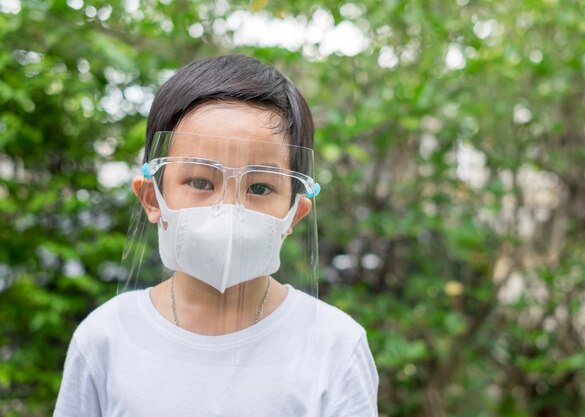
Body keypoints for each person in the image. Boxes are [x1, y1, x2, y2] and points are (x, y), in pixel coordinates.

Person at [54, 54, 379, 417]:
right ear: (152, 198)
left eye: (259, 187)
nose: (230, 209)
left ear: (294, 213)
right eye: (199, 182)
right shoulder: (104, 338)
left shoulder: (335, 346)